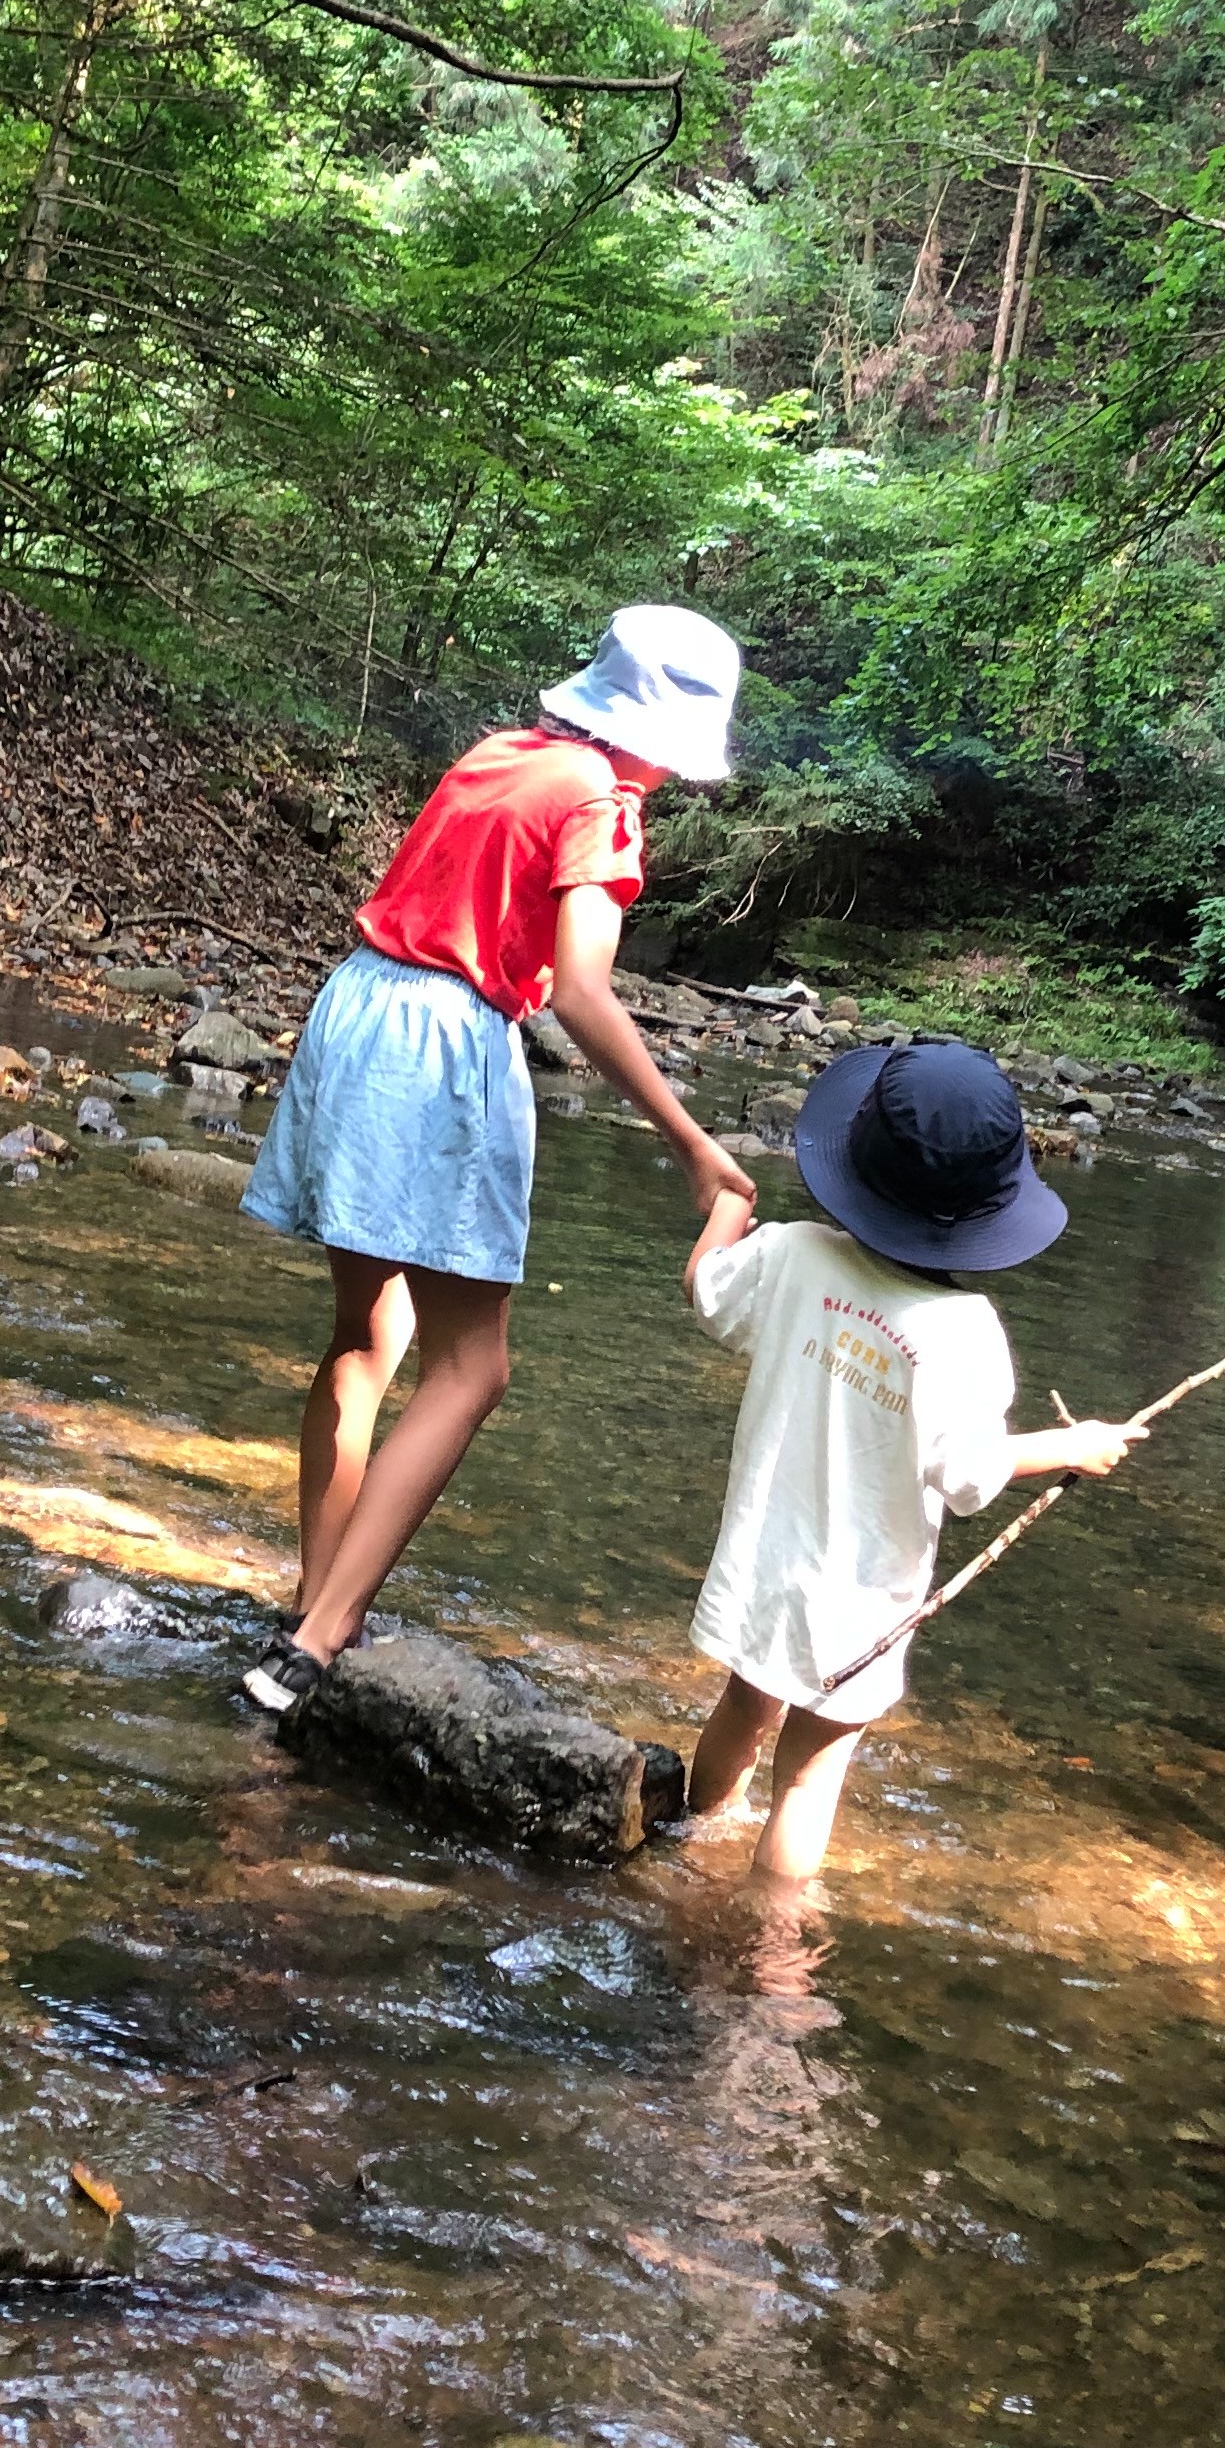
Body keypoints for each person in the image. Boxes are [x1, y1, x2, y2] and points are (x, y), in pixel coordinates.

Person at [240, 604, 757, 1706]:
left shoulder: (497, 755)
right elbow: (578, 989)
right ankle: (316, 1646)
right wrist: (694, 1146)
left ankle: (315, 1595)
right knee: (473, 1368)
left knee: (366, 1330)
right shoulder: (605, 805)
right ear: (663, 740)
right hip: (445, 1042)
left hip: (357, 1007)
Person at [680, 1035, 1142, 1883]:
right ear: (980, 1212)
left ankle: (684, 1846)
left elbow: (707, 1292)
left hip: (761, 1564)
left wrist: (726, 1208)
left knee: (745, 1707)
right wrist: (1074, 1446)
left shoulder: (790, 1254)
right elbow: (966, 1480)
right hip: (858, 1601)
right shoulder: (963, 1334)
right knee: (811, 1774)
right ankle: (771, 1950)